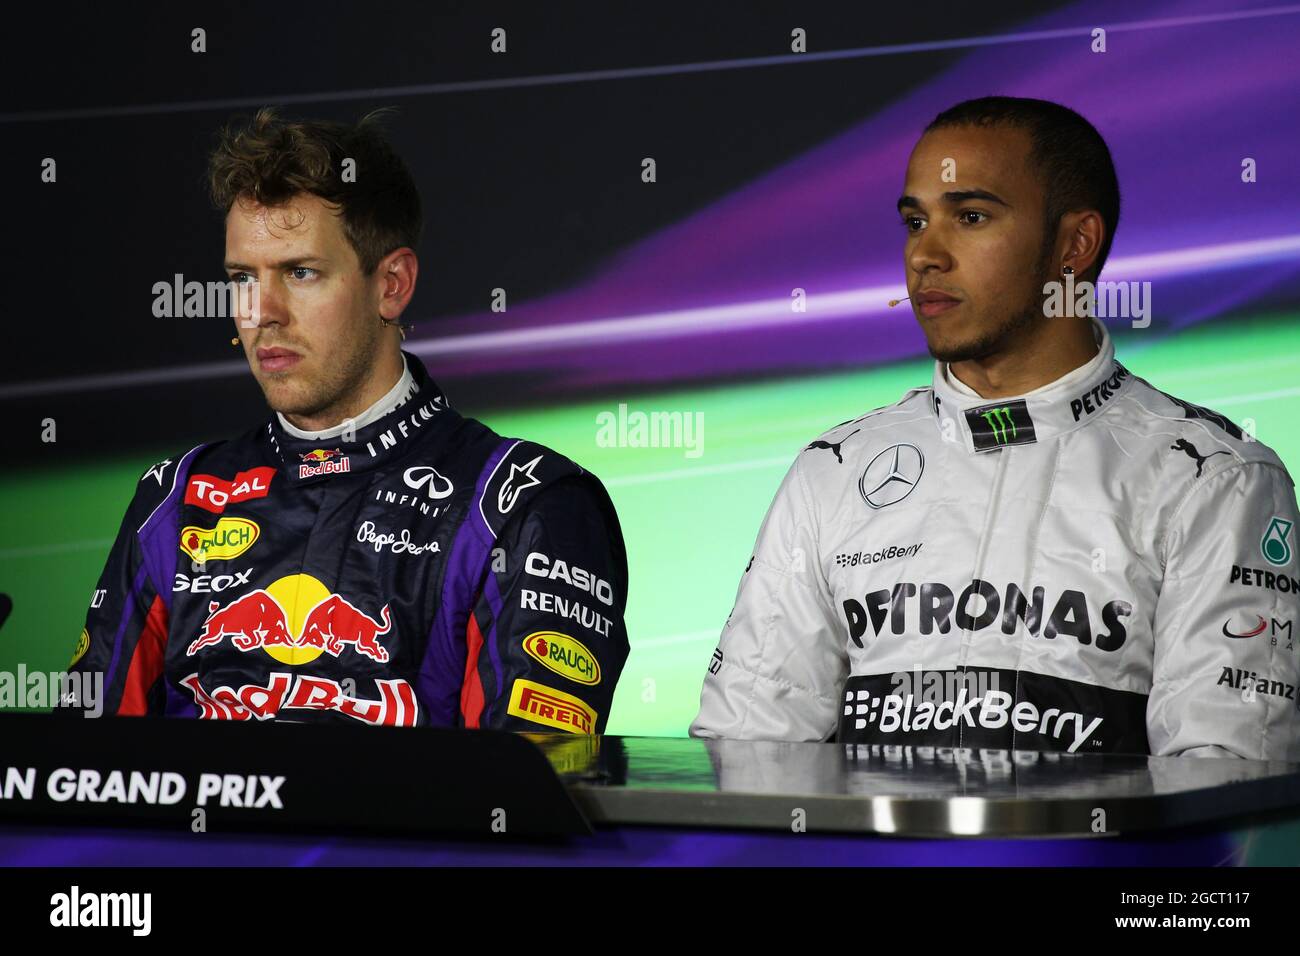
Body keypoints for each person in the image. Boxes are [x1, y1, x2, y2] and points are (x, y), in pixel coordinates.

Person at [692, 96, 1300, 758]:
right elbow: (746, 759)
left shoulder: (1214, 480)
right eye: (915, 220)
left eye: (971, 217)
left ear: (1074, 244)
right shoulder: (833, 472)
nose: (925, 253)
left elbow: (1226, 791)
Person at [62, 107, 628, 732]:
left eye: (301, 272)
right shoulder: (174, 498)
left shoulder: (525, 506)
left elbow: (520, 795)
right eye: (242, 278)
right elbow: (80, 770)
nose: (263, 312)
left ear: (392, 284)